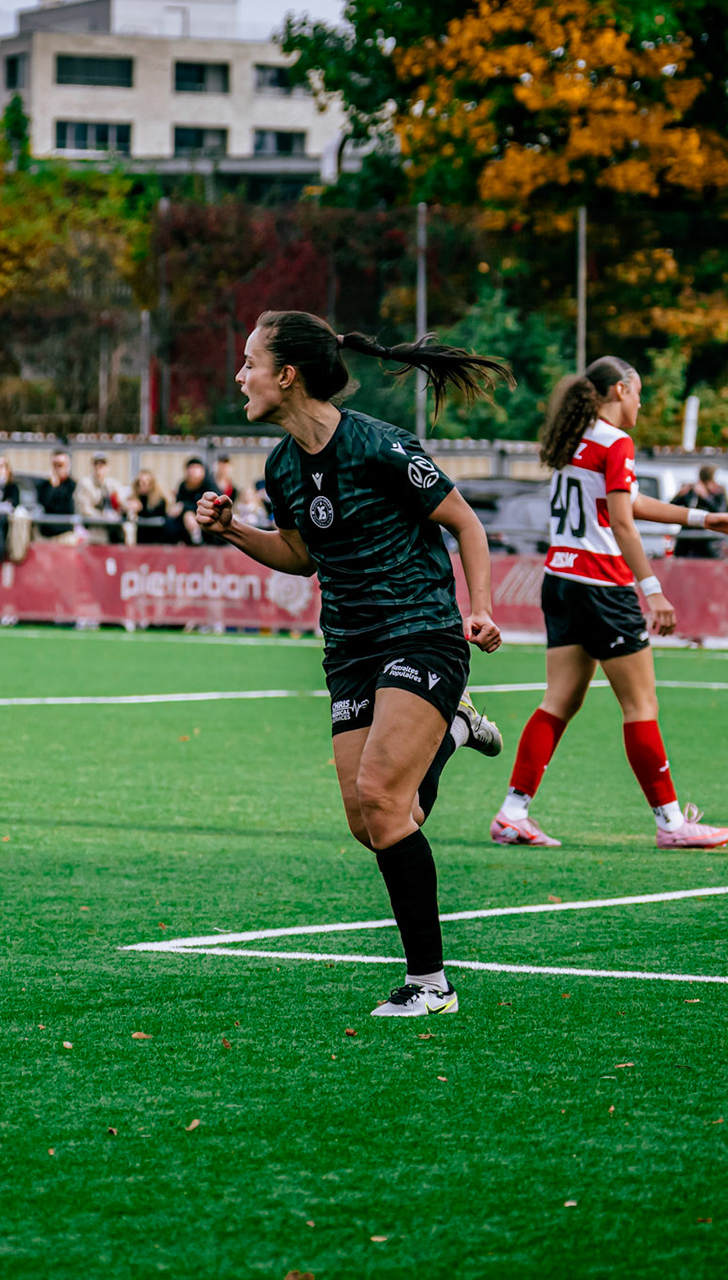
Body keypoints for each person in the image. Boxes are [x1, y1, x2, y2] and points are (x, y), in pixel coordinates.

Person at [196, 311, 509, 1020]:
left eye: (249, 363)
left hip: (422, 632)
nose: (239, 375)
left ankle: (431, 985)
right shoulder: (280, 468)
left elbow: (465, 522)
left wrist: (480, 608)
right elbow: (303, 556)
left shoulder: (379, 445)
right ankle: (454, 733)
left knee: (382, 796)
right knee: (370, 820)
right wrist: (233, 531)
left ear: (287, 374)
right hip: (350, 649)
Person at [491, 356, 728, 851]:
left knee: (559, 701)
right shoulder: (616, 440)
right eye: (639, 392)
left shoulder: (575, 437)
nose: (641, 402)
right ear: (621, 389)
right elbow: (624, 524)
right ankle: (672, 823)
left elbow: (623, 504)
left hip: (560, 580)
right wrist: (653, 590)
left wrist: (699, 518)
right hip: (601, 586)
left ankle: (512, 813)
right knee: (640, 704)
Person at [673, 464, 728, 559]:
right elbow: (671, 507)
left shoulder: (717, 494)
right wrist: (679, 495)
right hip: (687, 544)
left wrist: (706, 497)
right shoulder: (691, 493)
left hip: (708, 545)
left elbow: (720, 511)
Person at [74, 452, 126, 543]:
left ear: (107, 467)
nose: (99, 467)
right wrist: (103, 516)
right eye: (96, 464)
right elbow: (84, 509)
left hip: (113, 532)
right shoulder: (85, 484)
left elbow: (121, 503)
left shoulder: (112, 484)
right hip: (93, 530)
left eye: (102, 464)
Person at [36, 448, 78, 539]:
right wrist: (52, 487)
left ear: (67, 466)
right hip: (46, 534)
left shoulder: (73, 486)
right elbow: (43, 504)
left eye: (60, 465)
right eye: (54, 465)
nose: (57, 468)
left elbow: (68, 508)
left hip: (65, 534)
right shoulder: (45, 485)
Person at [171, 457, 210, 544]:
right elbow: (179, 504)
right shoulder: (183, 485)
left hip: (205, 519)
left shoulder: (208, 485)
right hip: (185, 521)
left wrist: (186, 507)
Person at [127, 470, 173, 543]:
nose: (143, 485)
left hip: (157, 539)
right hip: (140, 539)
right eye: (139, 483)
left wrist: (140, 509)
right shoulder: (134, 498)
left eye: (147, 483)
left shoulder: (160, 500)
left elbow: (157, 515)